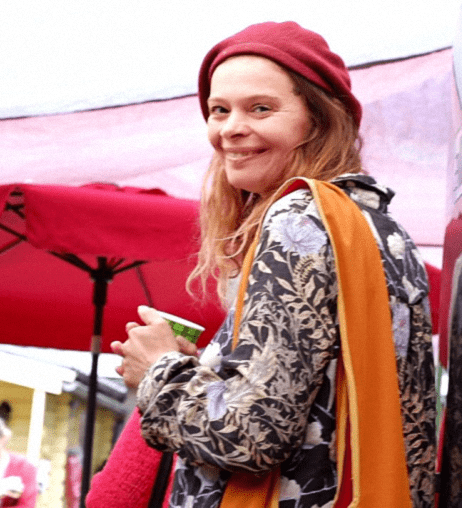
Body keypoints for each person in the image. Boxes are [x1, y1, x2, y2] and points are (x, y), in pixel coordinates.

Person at [110, 21, 436, 508]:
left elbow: (252, 434)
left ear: (319, 120)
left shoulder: (297, 220)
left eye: (260, 108)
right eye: (219, 110)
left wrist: (159, 371)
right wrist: (208, 371)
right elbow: (316, 404)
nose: (230, 129)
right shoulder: (384, 231)